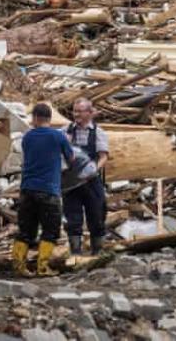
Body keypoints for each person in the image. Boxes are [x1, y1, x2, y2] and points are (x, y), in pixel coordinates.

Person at [12, 103, 74, 277]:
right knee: (50, 230)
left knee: (25, 230)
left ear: (36, 118)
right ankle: (42, 267)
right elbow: (71, 158)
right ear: (49, 118)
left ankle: (19, 266)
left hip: (27, 190)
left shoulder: (27, 137)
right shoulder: (59, 137)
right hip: (48, 191)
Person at [63, 98, 109, 256]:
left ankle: (98, 251)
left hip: (91, 181)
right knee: (72, 216)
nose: (76, 115)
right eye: (74, 111)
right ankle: (75, 252)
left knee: (96, 214)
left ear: (90, 113)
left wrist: (93, 170)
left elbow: (103, 157)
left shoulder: (98, 132)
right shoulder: (66, 130)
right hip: (70, 182)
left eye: (80, 111)